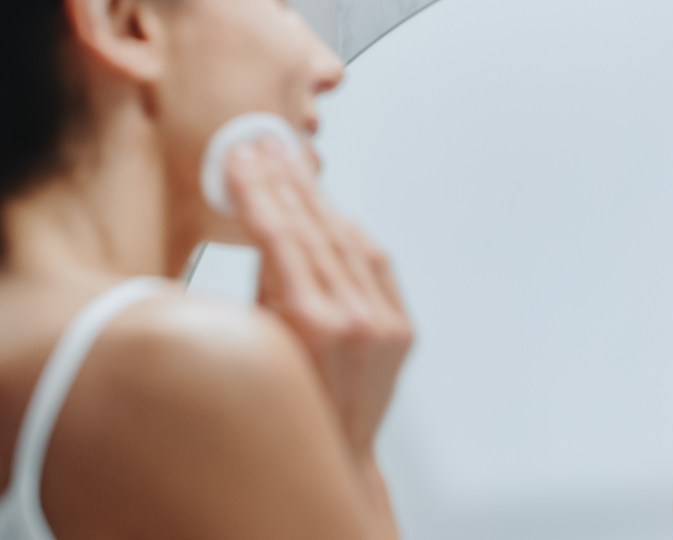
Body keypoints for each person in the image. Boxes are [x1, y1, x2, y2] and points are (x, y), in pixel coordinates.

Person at [0, 0, 411, 538]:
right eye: (279, 6)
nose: (329, 67)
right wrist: (350, 454)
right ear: (126, 23)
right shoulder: (178, 360)